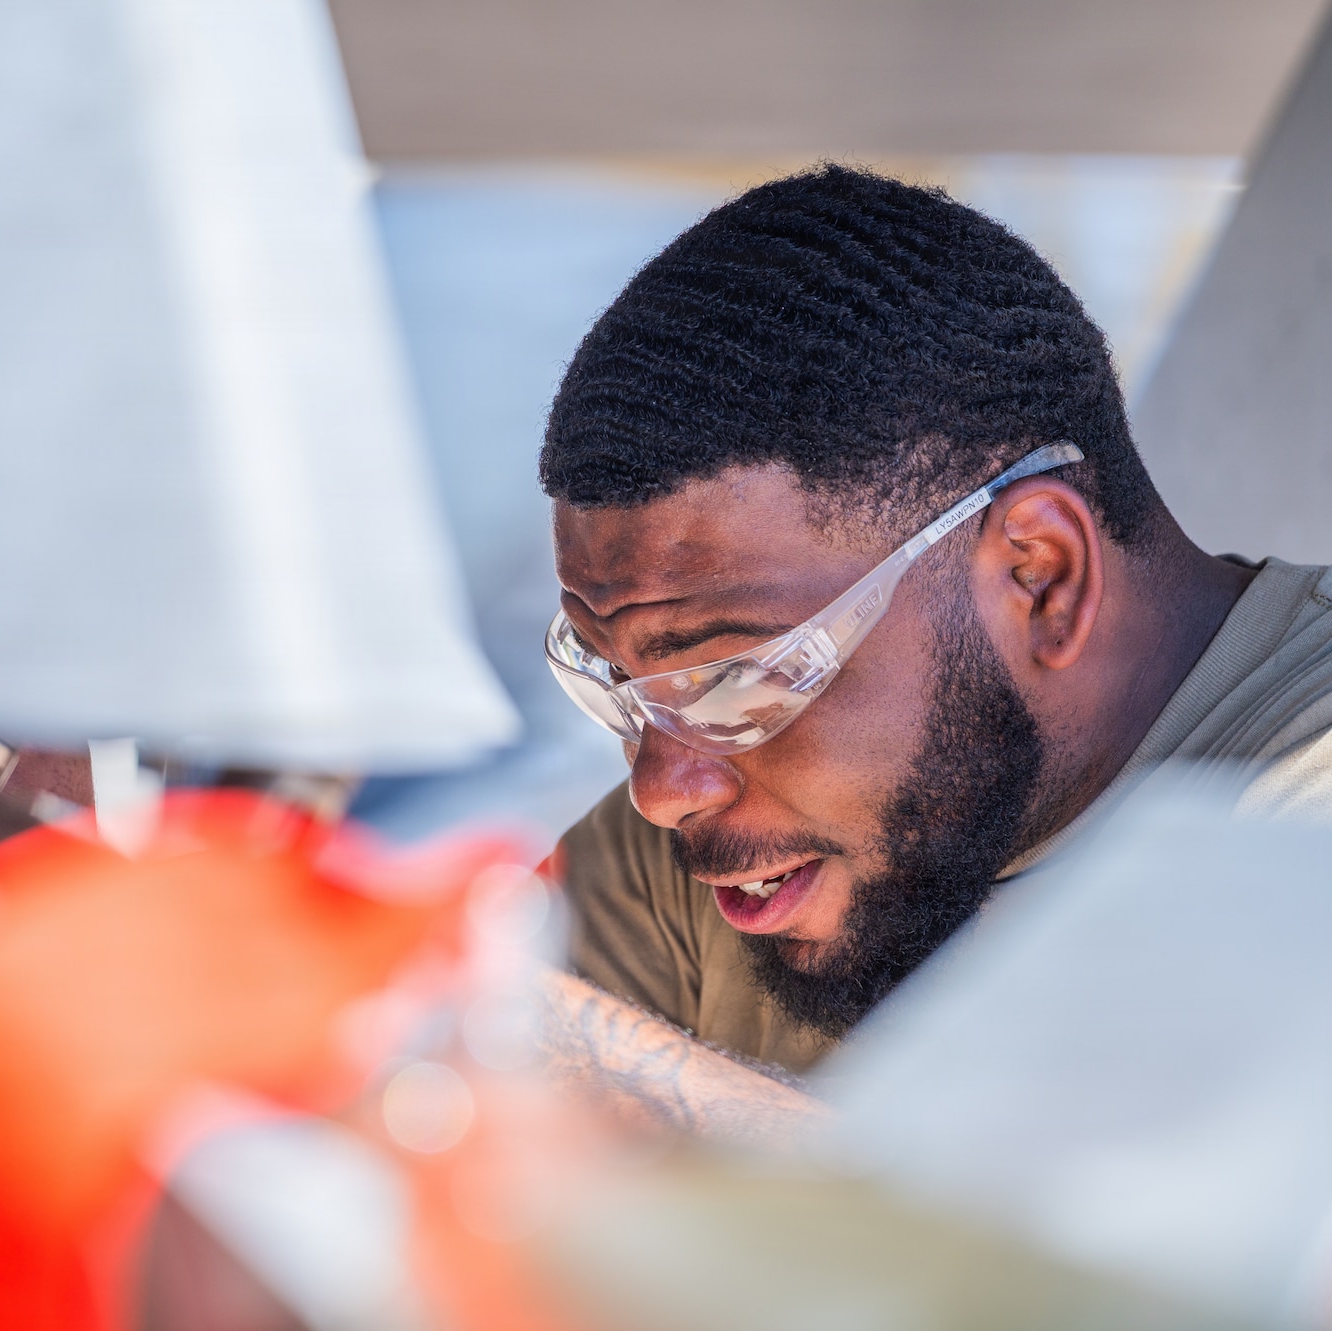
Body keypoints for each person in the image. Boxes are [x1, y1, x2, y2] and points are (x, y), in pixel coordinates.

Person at [531, 165, 1332, 1135]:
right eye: (613, 681)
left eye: (731, 679)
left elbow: (1148, 1277)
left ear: (1039, 575)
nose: (661, 787)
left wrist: (593, 1054)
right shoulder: (719, 856)